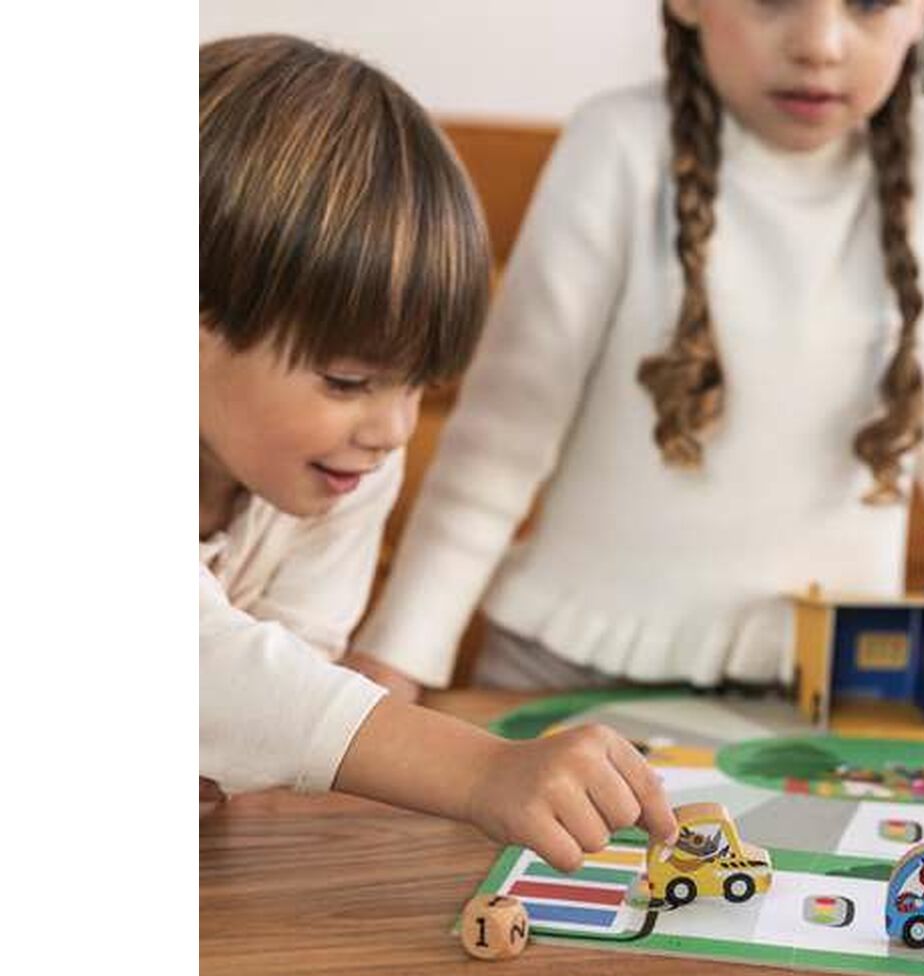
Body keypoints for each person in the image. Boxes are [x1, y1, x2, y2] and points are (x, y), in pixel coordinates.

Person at [351, 0, 924, 697]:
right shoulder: (617, 144)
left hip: (829, 698)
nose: (820, 44)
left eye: (871, 3)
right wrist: (394, 661)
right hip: (564, 678)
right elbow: (502, 438)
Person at [199, 34, 676, 868]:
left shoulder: (340, 469)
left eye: (416, 385)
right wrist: (482, 770)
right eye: (347, 380)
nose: (392, 429)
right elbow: (211, 670)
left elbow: (278, 687)